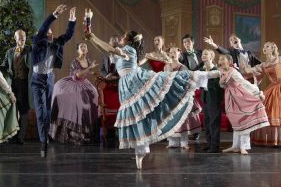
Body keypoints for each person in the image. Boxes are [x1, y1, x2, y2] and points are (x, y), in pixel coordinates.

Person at [86, 29, 213, 169]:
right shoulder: (125, 49)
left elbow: (110, 48)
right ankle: (141, 149)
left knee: (171, 80)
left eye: (124, 36)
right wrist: (91, 39)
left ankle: (205, 75)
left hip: (133, 81)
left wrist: (93, 36)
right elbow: (107, 50)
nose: (122, 37)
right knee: (136, 115)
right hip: (126, 84)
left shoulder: (129, 49)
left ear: (129, 40)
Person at [31, 4, 76, 157]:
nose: (49, 34)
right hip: (37, 80)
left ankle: (46, 137)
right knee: (40, 111)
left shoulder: (56, 43)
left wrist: (71, 19)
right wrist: (54, 15)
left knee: (48, 111)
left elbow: (68, 35)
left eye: (50, 33)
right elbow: (43, 28)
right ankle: (43, 142)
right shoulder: (37, 43)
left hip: (49, 78)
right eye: (47, 32)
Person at [217, 54, 269, 155]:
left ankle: (244, 146)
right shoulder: (222, 71)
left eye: (223, 59)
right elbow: (222, 85)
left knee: (244, 120)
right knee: (236, 121)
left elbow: (243, 82)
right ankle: (235, 146)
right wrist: (222, 83)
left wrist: (257, 93)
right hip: (230, 97)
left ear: (229, 61)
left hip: (240, 96)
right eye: (220, 59)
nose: (220, 61)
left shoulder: (233, 71)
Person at [49, 42, 99, 144]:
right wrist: (90, 68)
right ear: (78, 50)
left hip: (85, 83)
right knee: (76, 102)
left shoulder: (88, 60)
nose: (83, 48)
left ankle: (89, 131)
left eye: (85, 46)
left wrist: (94, 73)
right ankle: (71, 132)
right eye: (81, 47)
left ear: (87, 49)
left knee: (95, 95)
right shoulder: (75, 62)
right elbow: (78, 75)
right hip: (74, 83)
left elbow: (87, 72)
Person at [164, 47, 202, 150]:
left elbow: (186, 82)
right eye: (170, 52)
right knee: (171, 118)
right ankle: (173, 142)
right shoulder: (167, 66)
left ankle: (184, 142)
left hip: (180, 95)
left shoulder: (183, 67)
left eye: (174, 52)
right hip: (170, 95)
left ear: (178, 54)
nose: (172, 54)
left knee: (182, 119)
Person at [0, 29, 32, 144]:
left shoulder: (30, 50)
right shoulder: (9, 52)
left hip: (25, 84)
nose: (22, 38)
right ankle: (12, 134)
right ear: (15, 38)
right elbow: (4, 65)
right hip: (13, 83)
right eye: (19, 36)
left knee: (24, 110)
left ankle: (21, 137)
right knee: (14, 109)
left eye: (23, 36)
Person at [199, 49, 224, 153]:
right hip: (205, 98)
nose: (203, 55)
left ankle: (214, 146)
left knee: (214, 122)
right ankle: (209, 143)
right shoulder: (201, 69)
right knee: (207, 122)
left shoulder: (217, 70)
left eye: (206, 54)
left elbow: (219, 86)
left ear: (211, 57)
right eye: (202, 54)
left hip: (214, 98)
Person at [97, 35, 121, 144]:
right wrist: (106, 76)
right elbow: (102, 69)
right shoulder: (106, 56)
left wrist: (118, 77)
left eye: (116, 40)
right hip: (108, 83)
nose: (114, 41)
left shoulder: (121, 55)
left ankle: (118, 133)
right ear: (109, 42)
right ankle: (108, 132)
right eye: (112, 39)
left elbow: (124, 69)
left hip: (118, 84)